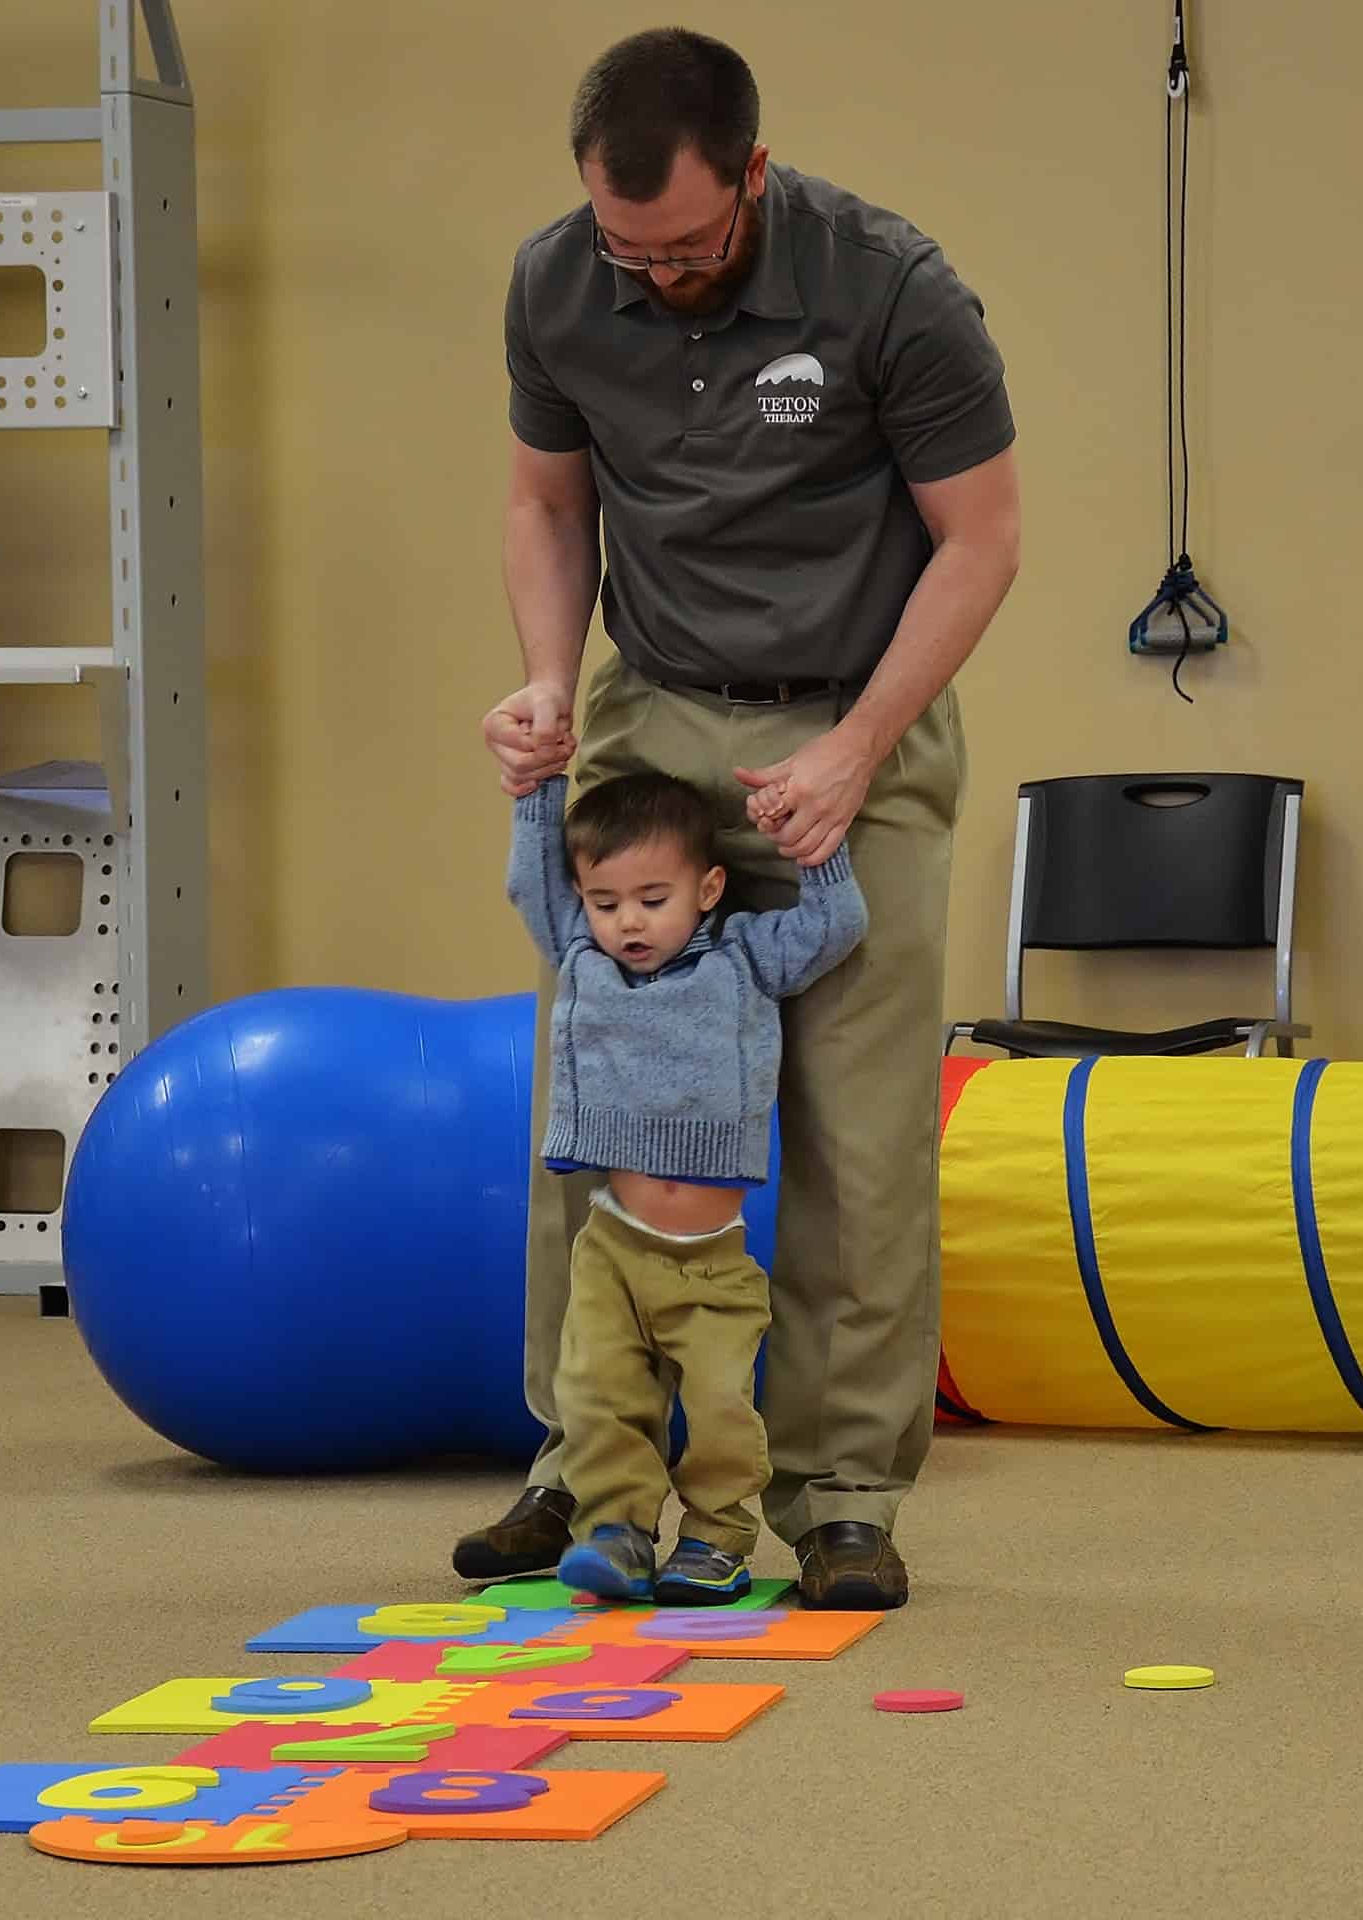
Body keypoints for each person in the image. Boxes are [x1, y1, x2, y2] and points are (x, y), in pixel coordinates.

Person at [454, 26, 1021, 1610]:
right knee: (605, 1100)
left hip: (858, 712)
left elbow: (981, 542)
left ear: (753, 180)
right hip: (662, 703)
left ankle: (841, 1493)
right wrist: (550, 687)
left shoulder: (892, 285)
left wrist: (858, 749)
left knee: (855, 1127)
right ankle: (588, 1467)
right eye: (627, 245)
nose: (654, 273)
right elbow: (546, 501)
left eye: (688, 244)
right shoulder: (558, 282)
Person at [507, 768, 866, 1603]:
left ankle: (716, 1539)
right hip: (613, 1249)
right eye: (605, 901)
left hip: (710, 1263)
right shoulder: (579, 955)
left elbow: (836, 924)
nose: (627, 921)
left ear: (708, 889)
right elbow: (533, 881)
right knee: (597, 1396)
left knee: (720, 1411)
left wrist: (813, 846)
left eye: (652, 898)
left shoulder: (743, 957)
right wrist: (537, 789)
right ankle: (618, 1530)